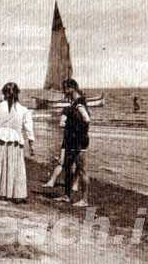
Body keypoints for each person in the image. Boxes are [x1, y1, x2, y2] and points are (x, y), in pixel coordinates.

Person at [54, 78, 91, 207]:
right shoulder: (75, 103)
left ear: (71, 88)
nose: (64, 91)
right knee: (68, 168)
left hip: (79, 141)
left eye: (65, 89)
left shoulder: (79, 103)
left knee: (82, 170)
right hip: (72, 140)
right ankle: (67, 195)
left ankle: (84, 200)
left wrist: (73, 126)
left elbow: (86, 119)